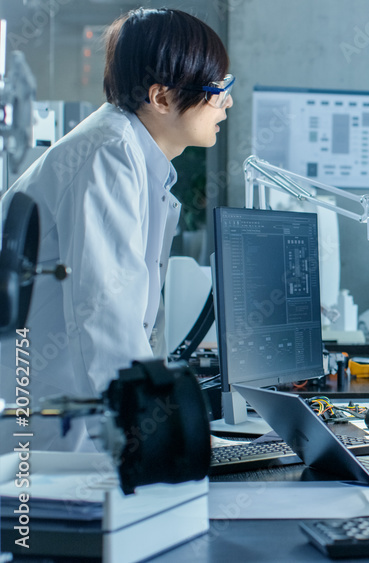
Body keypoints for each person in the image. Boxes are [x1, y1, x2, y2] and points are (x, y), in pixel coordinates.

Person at [0, 8, 233, 451]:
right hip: (48, 436)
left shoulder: (132, 155)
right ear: (161, 98)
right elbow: (105, 316)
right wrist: (154, 439)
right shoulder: (107, 153)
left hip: (72, 421)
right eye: (215, 90)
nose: (227, 102)